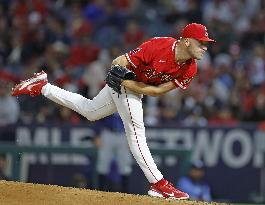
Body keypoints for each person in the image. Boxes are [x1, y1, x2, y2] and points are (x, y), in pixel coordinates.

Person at [11, 23, 215, 200]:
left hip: (133, 86)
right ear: (187, 41)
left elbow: (157, 90)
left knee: (90, 111)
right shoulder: (158, 45)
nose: (205, 47)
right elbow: (119, 61)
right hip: (125, 81)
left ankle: (43, 86)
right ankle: (159, 184)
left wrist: (129, 84)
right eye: (201, 42)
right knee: (136, 131)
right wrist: (119, 76)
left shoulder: (190, 68)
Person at [93, 112, 132, 193]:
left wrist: (132, 138)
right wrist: (97, 134)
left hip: (124, 134)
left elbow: (133, 120)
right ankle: (100, 192)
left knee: (125, 163)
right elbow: (99, 115)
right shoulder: (107, 99)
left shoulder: (129, 100)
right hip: (108, 132)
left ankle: (126, 193)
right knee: (103, 162)